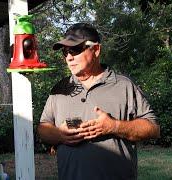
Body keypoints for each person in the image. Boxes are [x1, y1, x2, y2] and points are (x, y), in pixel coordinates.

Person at [37, 23, 160, 180]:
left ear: (96, 50)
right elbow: (43, 128)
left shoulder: (124, 85)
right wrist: (60, 134)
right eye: (65, 52)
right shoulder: (60, 88)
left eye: (75, 49)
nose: (69, 57)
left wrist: (114, 126)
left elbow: (153, 129)